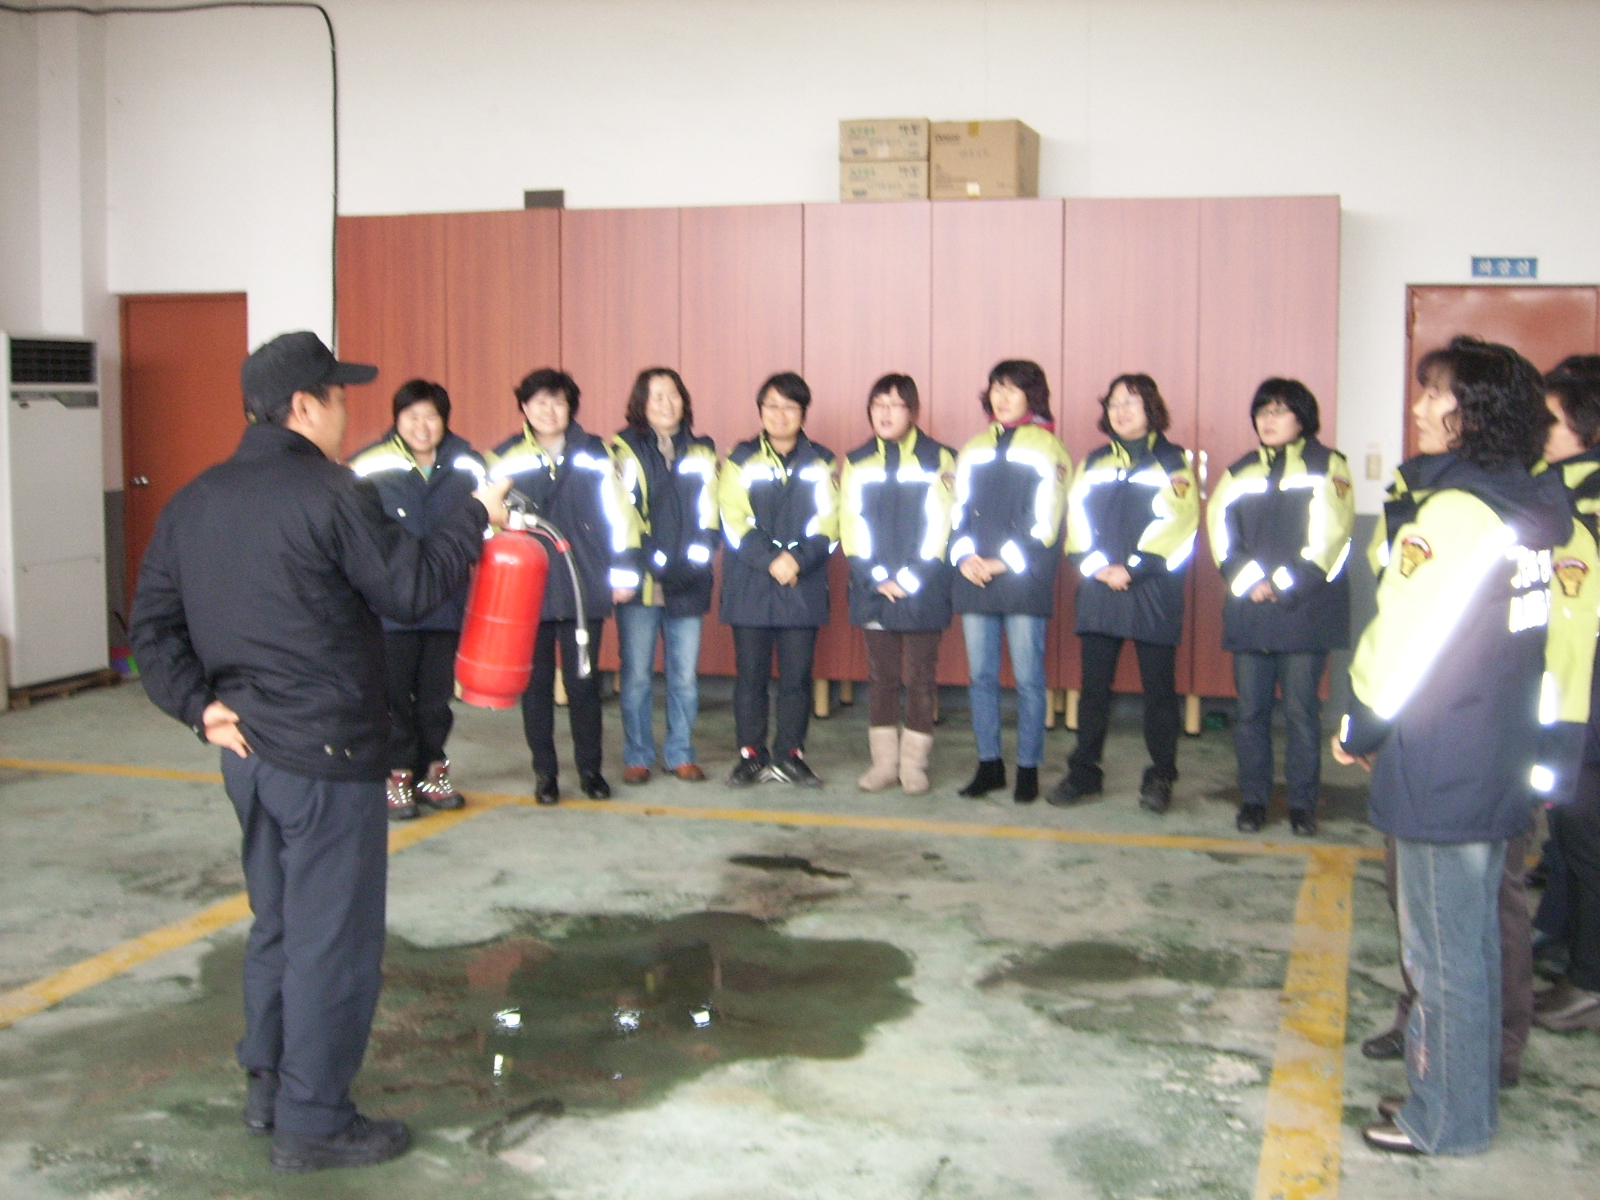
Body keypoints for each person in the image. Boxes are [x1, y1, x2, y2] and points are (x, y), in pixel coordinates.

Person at [128, 331, 509, 1173]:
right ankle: (315, 1121)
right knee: (332, 939)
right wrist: (476, 514)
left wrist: (198, 708)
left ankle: (269, 1087)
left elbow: (150, 628)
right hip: (327, 758)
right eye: (339, 396)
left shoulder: (194, 502)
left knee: (280, 924)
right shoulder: (333, 493)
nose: (346, 411)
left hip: (249, 756)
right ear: (303, 406)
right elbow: (411, 585)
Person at [1335, 335, 1568, 1156]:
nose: (1419, 406)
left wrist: (1361, 723)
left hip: (1446, 755)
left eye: (1437, 394)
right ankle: (1465, 1101)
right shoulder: (1528, 506)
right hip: (1495, 745)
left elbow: (1407, 638)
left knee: (1441, 954)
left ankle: (1443, 1119)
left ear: (1477, 412)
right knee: (1471, 944)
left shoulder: (1459, 514)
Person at [1205, 379, 1354, 835]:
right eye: (1262, 411)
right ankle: (1253, 799)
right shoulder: (1239, 471)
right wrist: (1249, 580)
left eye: (1279, 411)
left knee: (1301, 713)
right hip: (1251, 608)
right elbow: (1220, 530)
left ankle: (1302, 804)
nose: (1267, 420)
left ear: (1302, 418)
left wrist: (1281, 584)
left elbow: (1331, 537)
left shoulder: (1328, 465)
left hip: (1303, 610)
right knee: (1250, 712)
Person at [488, 368, 640, 805]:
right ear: (524, 408)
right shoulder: (504, 456)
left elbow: (621, 515)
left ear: (570, 406)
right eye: (539, 402)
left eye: (557, 401)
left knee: (583, 686)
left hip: (581, 582)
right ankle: (545, 774)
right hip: (527, 589)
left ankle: (591, 772)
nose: (549, 411)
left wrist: (623, 573)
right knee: (535, 688)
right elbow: (488, 521)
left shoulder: (597, 452)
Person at [1051, 374, 1198, 813]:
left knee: (1159, 692)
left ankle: (1161, 776)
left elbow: (1179, 522)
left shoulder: (1172, 461)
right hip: (1100, 588)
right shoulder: (1094, 461)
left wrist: (1131, 567)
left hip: (1152, 588)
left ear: (1151, 409)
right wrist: (1099, 567)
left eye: (1131, 402)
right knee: (1093, 689)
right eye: (1114, 403)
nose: (1121, 411)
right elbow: (1076, 520)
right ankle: (1084, 773)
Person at [348, 379, 487, 819]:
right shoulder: (368, 464)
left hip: (446, 602)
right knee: (392, 699)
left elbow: (489, 526)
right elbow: (354, 534)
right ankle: (396, 775)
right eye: (412, 416)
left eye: (431, 416)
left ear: (445, 420)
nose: (422, 426)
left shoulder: (469, 464)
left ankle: (431, 770)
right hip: (389, 607)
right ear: (397, 419)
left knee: (435, 699)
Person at [950, 360, 1073, 804]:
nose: (1001, 397)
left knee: (1028, 680)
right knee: (981, 678)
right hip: (975, 577)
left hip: (1022, 578)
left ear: (1032, 396)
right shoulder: (974, 447)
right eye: (996, 388)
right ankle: (989, 765)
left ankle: (1028, 768)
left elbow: (1046, 523)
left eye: (1012, 389)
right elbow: (956, 511)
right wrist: (964, 556)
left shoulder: (1049, 448)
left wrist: (999, 562)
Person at [718, 371, 838, 787]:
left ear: (803, 412)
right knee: (750, 676)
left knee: (796, 677)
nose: (780, 414)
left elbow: (830, 521)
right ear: (760, 411)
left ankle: (790, 755)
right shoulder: (740, 458)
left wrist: (797, 560)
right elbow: (732, 517)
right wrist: (771, 559)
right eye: (772, 406)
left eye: (790, 406)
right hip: (751, 583)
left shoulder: (822, 461)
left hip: (801, 584)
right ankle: (751, 755)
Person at [839, 374, 956, 794]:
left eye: (895, 405)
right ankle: (884, 763)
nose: (885, 413)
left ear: (913, 411)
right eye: (878, 405)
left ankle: (913, 765)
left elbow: (942, 525)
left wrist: (908, 577)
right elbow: (850, 524)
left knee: (920, 677)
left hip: (923, 586)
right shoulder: (857, 461)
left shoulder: (938, 458)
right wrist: (876, 577)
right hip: (874, 587)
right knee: (881, 677)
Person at [611, 368, 719, 784]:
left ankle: (680, 753)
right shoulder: (622, 450)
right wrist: (646, 562)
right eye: (656, 396)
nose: (666, 403)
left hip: (689, 580)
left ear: (684, 400)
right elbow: (619, 513)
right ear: (641, 403)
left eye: (672, 394)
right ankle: (638, 755)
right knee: (637, 677)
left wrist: (695, 558)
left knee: (684, 678)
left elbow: (710, 513)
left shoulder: (703, 451)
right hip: (641, 582)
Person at [1534, 355, 1600, 1034]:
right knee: (1570, 840)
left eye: (1549, 418)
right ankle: (1570, 953)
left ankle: (1589, 981)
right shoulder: (1555, 488)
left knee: (1585, 841)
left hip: (1586, 702)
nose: (1539, 428)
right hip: (1571, 699)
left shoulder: (1580, 500)